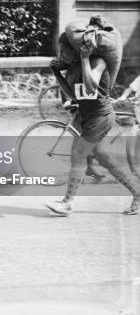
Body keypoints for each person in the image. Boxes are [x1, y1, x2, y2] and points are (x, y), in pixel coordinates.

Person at [46, 33, 140, 216]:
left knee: (77, 153)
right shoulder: (73, 68)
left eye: (64, 51)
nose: (61, 55)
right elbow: (73, 94)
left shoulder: (98, 62)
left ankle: (67, 203)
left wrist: (84, 58)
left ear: (75, 49)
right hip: (87, 117)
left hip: (101, 116)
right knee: (106, 160)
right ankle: (138, 193)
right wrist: (57, 73)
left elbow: (90, 88)